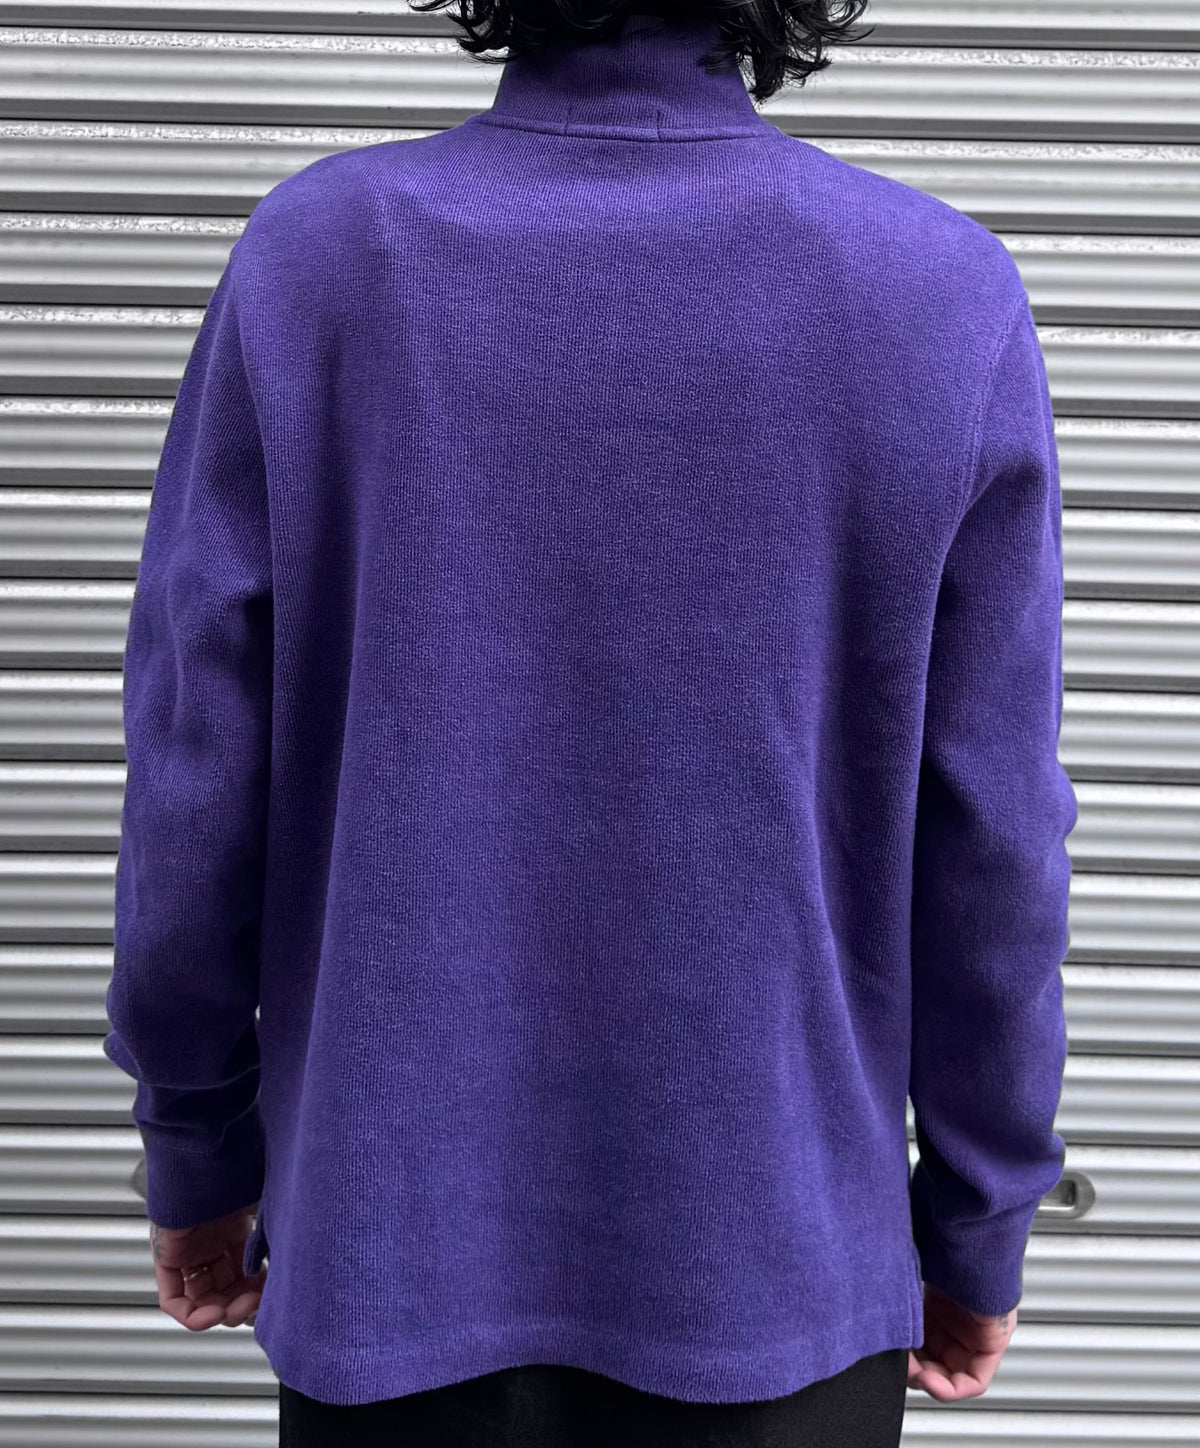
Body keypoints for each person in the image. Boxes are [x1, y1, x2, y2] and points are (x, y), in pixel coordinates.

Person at [102, 2, 1077, 1445]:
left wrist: (197, 1145)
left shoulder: (321, 259)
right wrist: (978, 1221)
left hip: (391, 1265)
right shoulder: (938, 291)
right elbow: (995, 838)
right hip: (776, 1286)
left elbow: (195, 777)